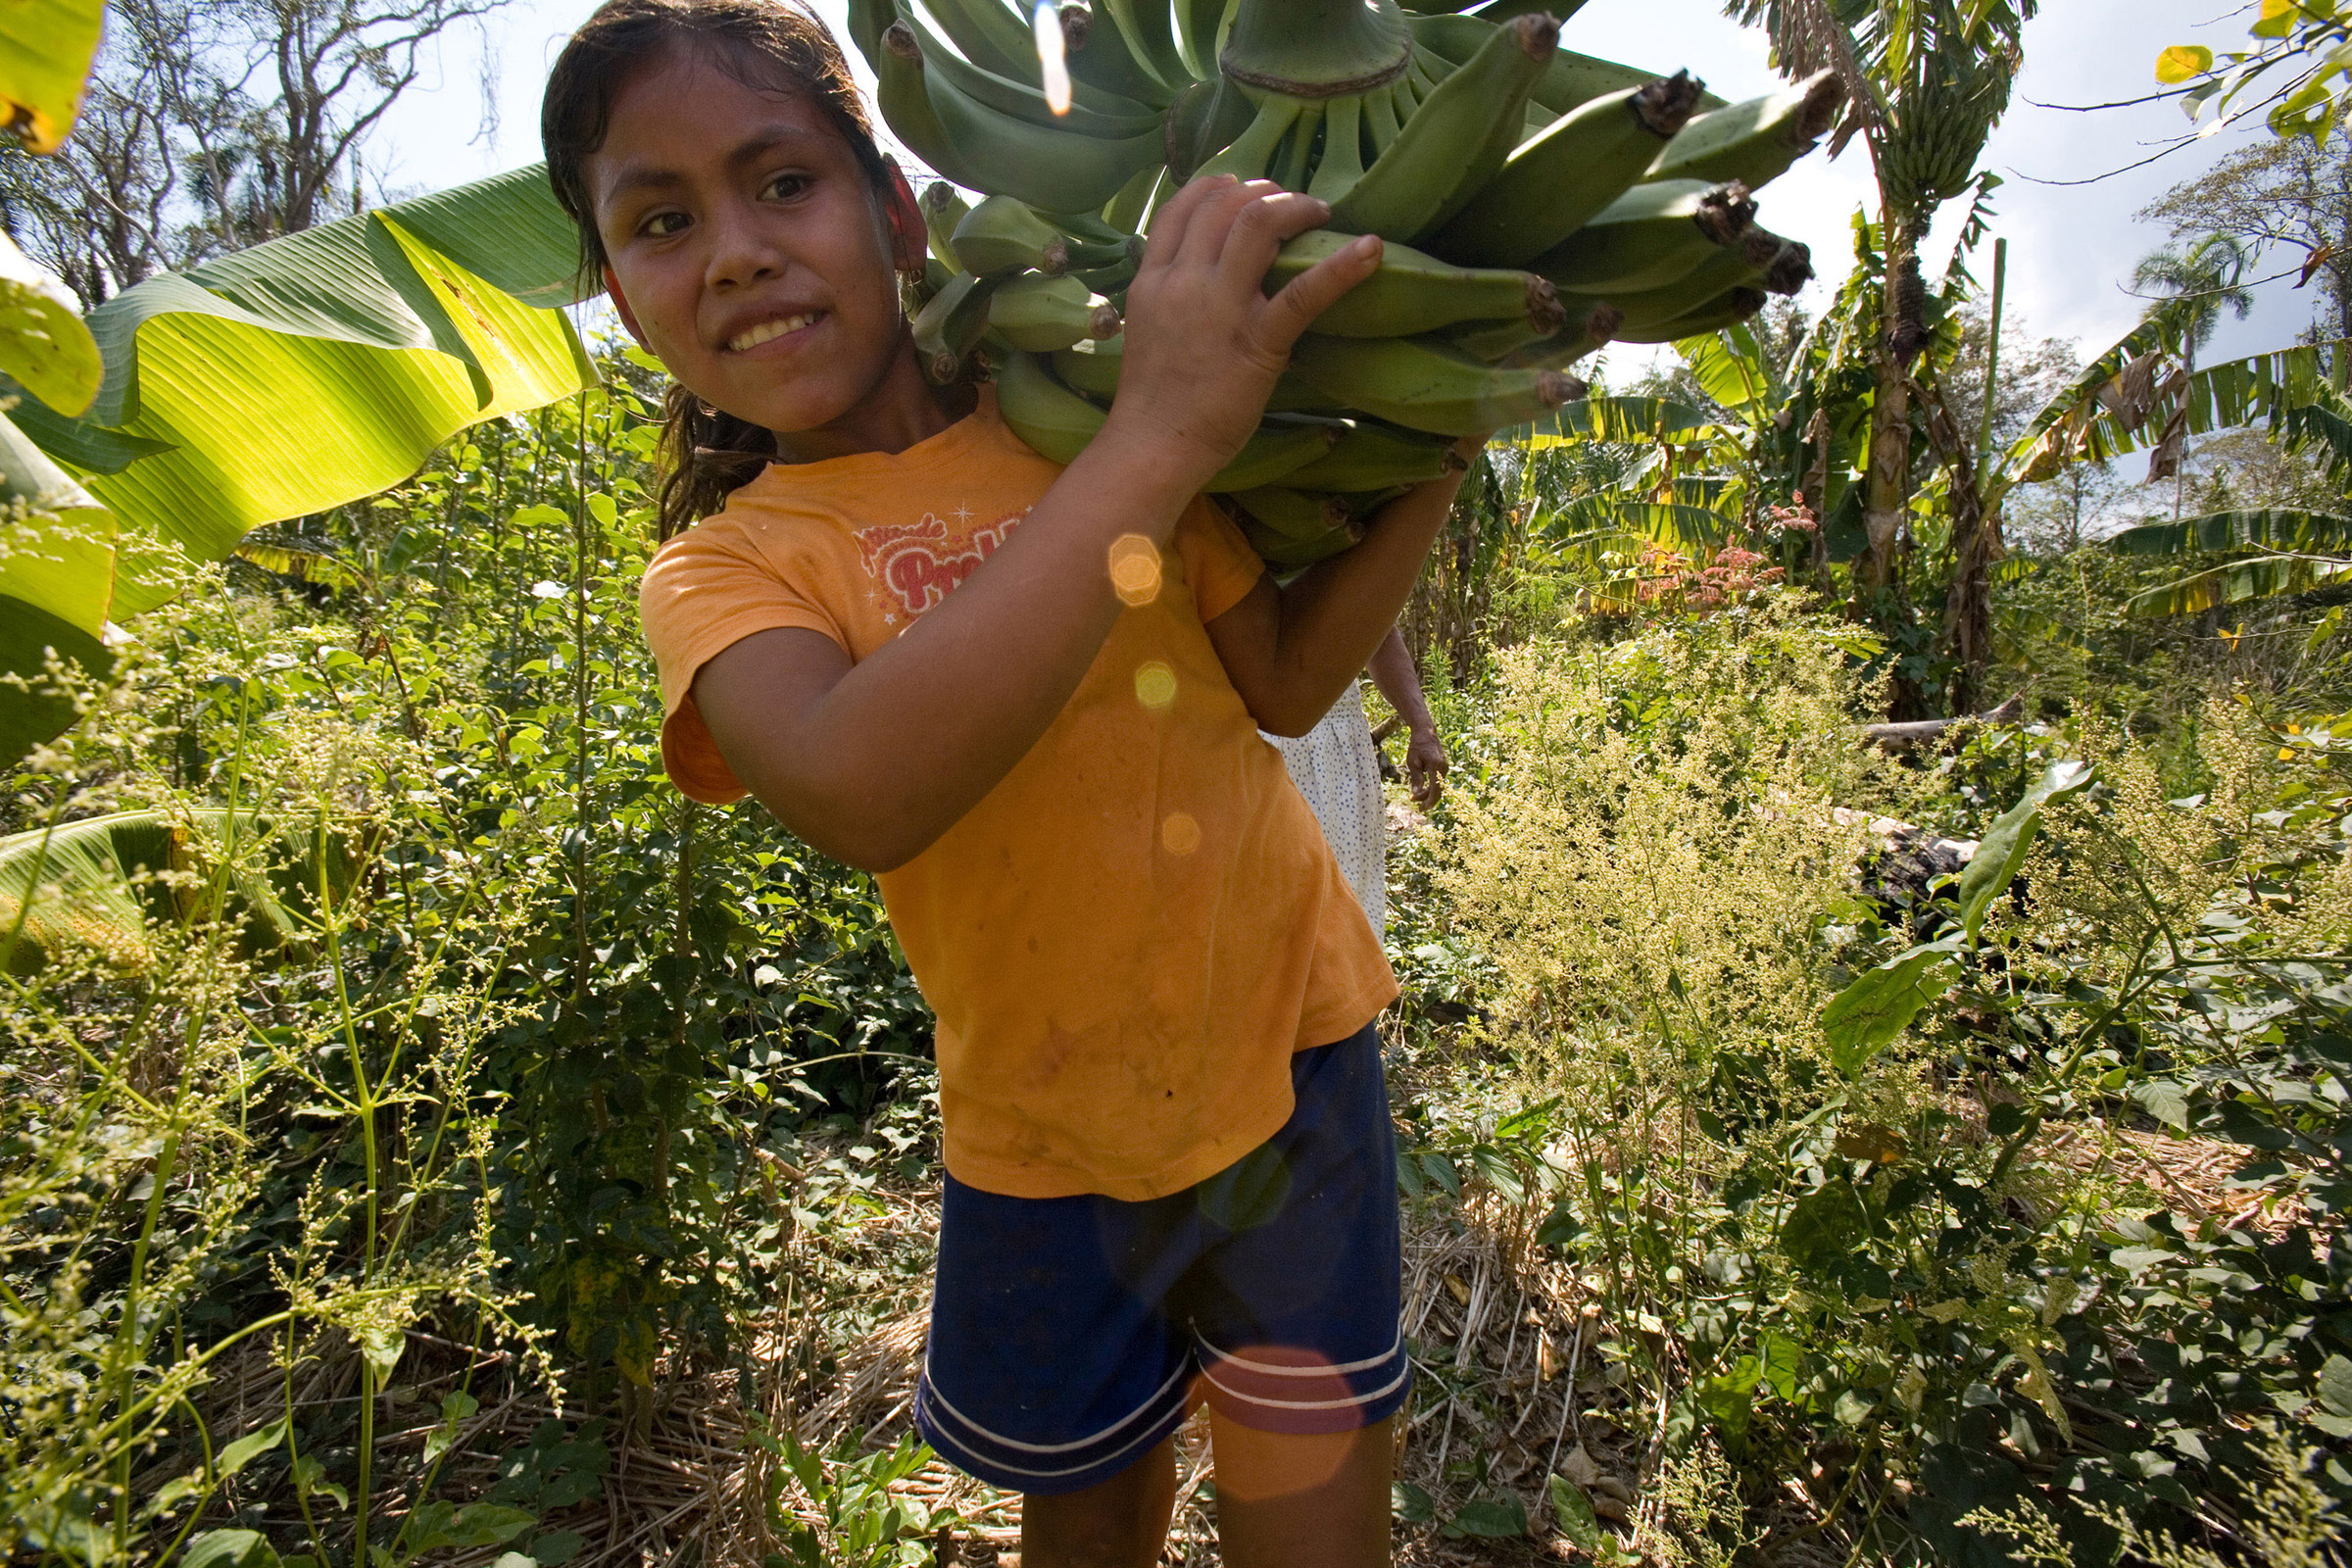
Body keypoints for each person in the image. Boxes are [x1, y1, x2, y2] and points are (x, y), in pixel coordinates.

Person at [541, 5, 1479, 1563]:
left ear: (898, 215)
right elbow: (860, 788)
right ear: (630, 297)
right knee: (1091, 1525)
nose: (732, 252)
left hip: (1290, 1054)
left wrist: (1444, 434)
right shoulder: (733, 568)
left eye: (783, 184)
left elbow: (1286, 683)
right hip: (1048, 1143)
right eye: (658, 222)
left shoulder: (1075, 410)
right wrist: (1162, 436)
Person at [1267, 624, 1447, 938]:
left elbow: (1380, 631)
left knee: (1342, 922)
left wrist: (1422, 725)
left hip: (1338, 756)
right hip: (1248, 741)